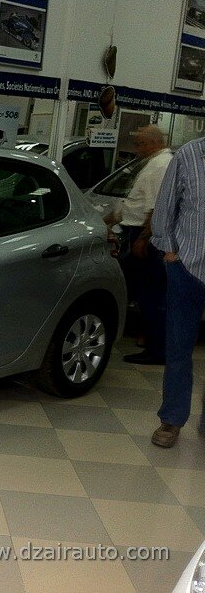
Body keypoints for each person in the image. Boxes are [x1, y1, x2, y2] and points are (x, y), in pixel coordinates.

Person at [149, 136, 205, 447]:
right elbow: (166, 205)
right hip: (186, 268)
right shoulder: (188, 155)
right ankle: (171, 419)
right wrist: (169, 251)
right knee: (179, 348)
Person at [104, 125, 173, 365]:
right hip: (138, 232)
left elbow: (156, 208)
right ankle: (149, 339)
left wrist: (144, 239)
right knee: (142, 291)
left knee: (151, 294)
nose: (137, 149)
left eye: (140, 144)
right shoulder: (153, 163)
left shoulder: (160, 166)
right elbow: (133, 203)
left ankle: (157, 349)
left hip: (147, 237)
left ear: (152, 143)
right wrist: (107, 221)